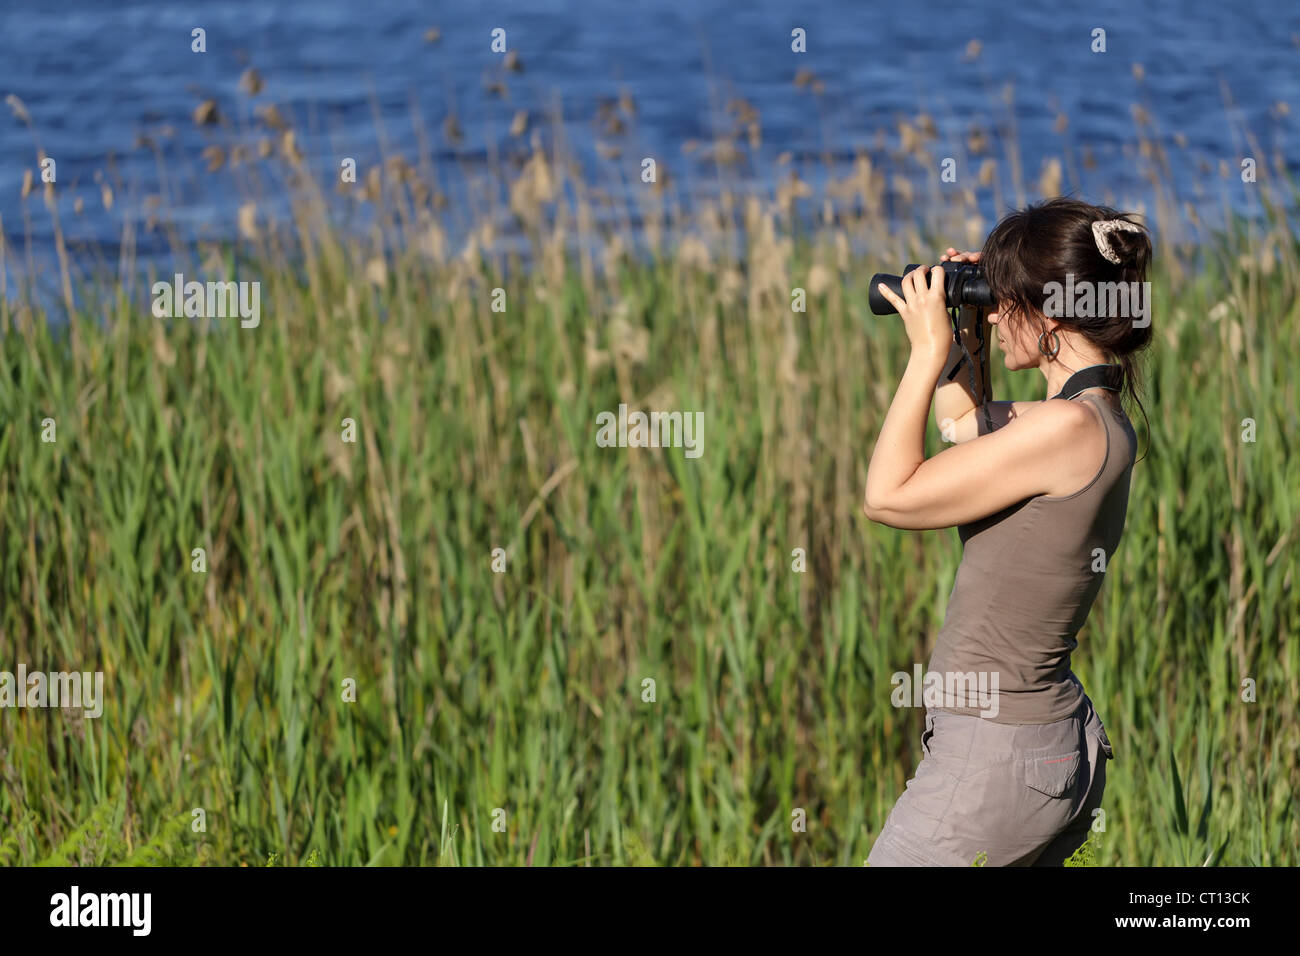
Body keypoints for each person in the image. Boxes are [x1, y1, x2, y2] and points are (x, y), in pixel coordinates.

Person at [863, 197, 1152, 866]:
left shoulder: (1063, 429)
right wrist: (967, 338)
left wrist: (927, 349)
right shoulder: (1093, 419)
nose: (994, 310)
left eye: (1004, 300)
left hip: (997, 757)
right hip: (1041, 746)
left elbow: (887, 497)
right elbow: (965, 436)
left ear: (1050, 312)